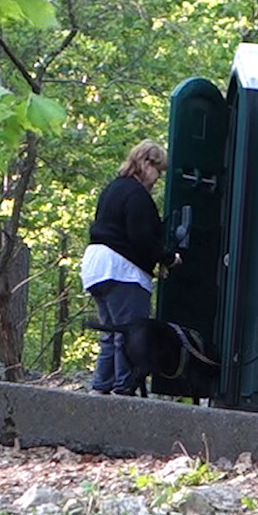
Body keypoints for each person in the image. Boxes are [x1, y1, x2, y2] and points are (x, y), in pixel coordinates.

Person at [80, 139, 181, 395]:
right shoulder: (137, 195)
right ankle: (124, 390)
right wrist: (168, 258)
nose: (157, 178)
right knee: (130, 333)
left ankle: (100, 388)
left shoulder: (113, 188)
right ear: (146, 163)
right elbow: (142, 237)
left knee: (111, 333)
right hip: (121, 270)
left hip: (96, 267)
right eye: (158, 171)